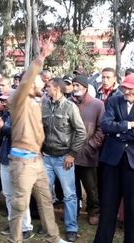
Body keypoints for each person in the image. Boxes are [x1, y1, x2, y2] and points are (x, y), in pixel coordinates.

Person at [8, 39, 64, 243]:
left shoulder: (35, 103)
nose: (44, 82)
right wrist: (42, 57)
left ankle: (53, 237)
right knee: (20, 205)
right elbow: (26, 80)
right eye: (40, 80)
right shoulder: (19, 100)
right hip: (22, 163)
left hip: (36, 160)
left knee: (46, 201)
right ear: (30, 84)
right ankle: (15, 240)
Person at [93, 74, 134, 243]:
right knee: (108, 206)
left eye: (130, 88)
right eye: (124, 88)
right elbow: (106, 125)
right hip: (112, 161)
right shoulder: (114, 101)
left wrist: (118, 132)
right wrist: (128, 125)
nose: (126, 91)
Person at [42, 76, 87, 242]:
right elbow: (40, 128)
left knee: (69, 195)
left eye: (49, 87)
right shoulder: (44, 106)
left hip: (64, 158)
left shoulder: (70, 107)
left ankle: (71, 228)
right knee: (45, 194)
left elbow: (81, 132)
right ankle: (47, 225)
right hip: (46, 157)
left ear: (57, 89)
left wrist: (72, 154)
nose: (46, 89)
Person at [0, 91, 35, 240]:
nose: (3, 102)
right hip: (6, 159)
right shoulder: (5, 115)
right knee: (9, 195)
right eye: (2, 100)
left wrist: (2, 128)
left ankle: (26, 227)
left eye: (5, 100)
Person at [71, 75, 105, 226]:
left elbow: (102, 128)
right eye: (74, 85)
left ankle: (94, 211)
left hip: (88, 154)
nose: (75, 88)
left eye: (78, 85)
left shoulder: (98, 104)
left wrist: (91, 145)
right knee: (72, 185)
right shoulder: (68, 103)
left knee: (91, 187)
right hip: (70, 153)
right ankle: (74, 211)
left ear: (85, 87)